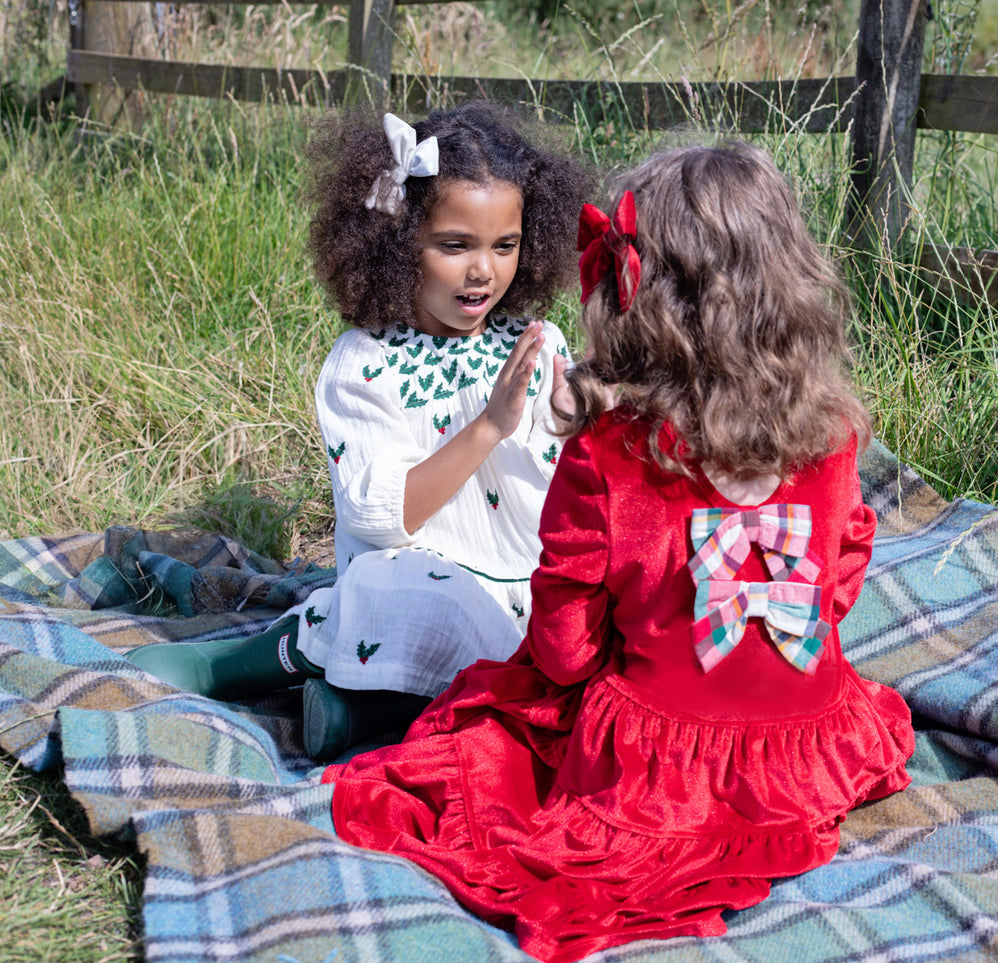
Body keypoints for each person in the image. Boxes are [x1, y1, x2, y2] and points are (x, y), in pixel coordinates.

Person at [323, 142, 915, 962]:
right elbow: (837, 586)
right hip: (805, 742)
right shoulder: (836, 433)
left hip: (659, 769)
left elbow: (566, 651)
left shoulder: (609, 451)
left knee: (495, 729)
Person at [128, 103, 594, 761]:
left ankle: (352, 708)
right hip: (425, 576)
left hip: (531, 581)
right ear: (398, 243)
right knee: (409, 605)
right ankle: (234, 665)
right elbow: (383, 520)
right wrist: (489, 426)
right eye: (455, 244)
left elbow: (570, 474)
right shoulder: (366, 362)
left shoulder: (537, 344)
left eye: (504, 245)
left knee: (565, 647)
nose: (483, 270)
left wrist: (587, 420)